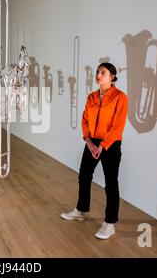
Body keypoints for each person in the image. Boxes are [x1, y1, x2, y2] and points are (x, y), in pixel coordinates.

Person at [61, 63, 128, 239]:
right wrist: (89, 142)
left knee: (111, 183)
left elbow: (118, 126)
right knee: (84, 175)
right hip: (92, 142)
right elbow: (85, 120)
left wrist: (102, 145)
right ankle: (81, 210)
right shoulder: (91, 97)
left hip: (111, 144)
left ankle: (110, 223)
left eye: (103, 72)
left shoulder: (120, 98)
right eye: (98, 72)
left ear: (112, 76)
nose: (98, 75)